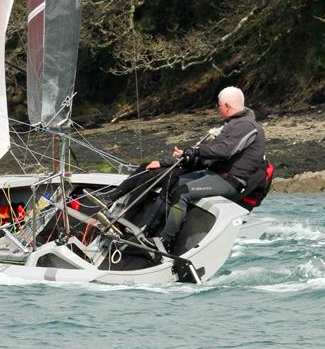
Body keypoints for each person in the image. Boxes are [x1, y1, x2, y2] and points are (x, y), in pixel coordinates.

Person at [89, 86, 266, 250]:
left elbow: (225, 151)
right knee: (172, 182)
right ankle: (146, 230)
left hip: (229, 180)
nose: (219, 109)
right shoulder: (234, 124)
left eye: (219, 106)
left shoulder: (247, 126)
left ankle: (167, 240)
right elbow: (214, 155)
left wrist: (196, 151)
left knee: (182, 192)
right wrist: (189, 155)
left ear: (227, 106)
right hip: (214, 173)